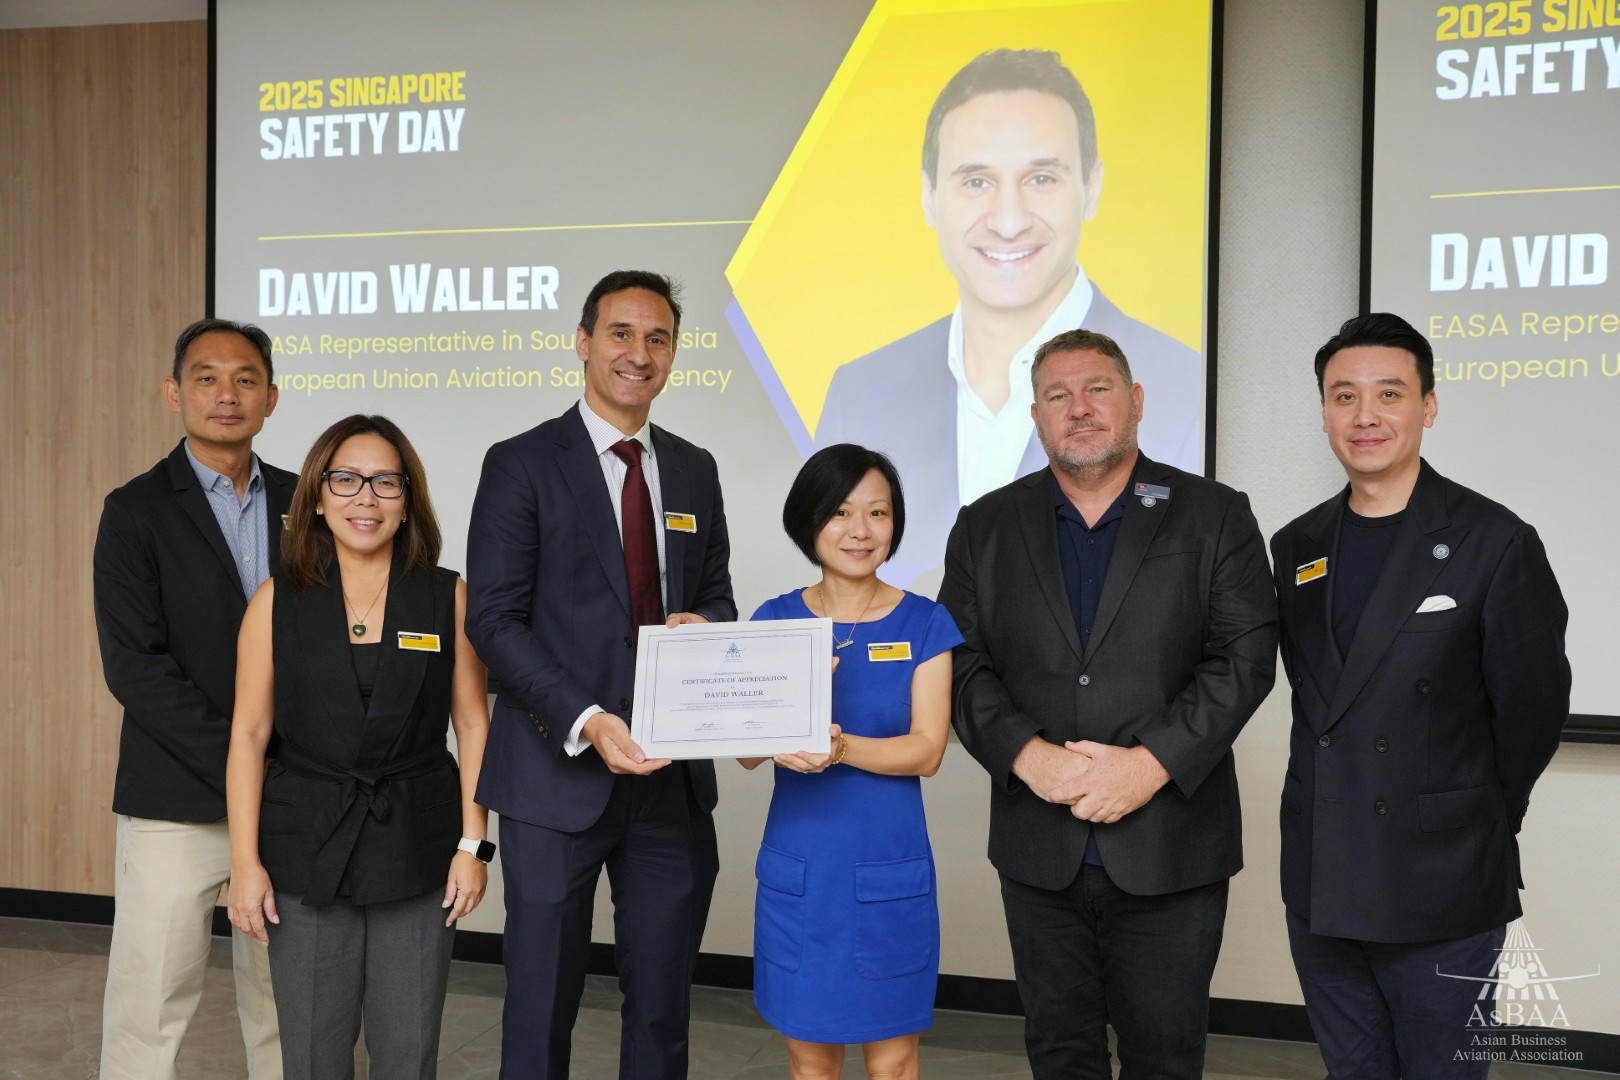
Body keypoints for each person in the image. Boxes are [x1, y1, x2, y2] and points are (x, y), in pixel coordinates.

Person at [938, 328, 1275, 1079]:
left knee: (1165, 1058)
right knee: (1059, 1054)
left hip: (1171, 845)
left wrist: (1148, 766)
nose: (1080, 408)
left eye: (1098, 389)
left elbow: (1245, 658)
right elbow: (957, 660)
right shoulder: (985, 525)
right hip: (1038, 848)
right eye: (1057, 395)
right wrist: (1028, 757)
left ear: (1137, 401)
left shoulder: (1214, 514)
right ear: (1036, 416)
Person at [1271, 313, 1570, 1079]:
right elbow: (1317, 692)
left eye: (1390, 393)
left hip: (1444, 880)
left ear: (1428, 406)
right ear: (1324, 412)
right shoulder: (1297, 545)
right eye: (1344, 396)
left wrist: (1465, 814)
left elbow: (1532, 712)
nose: (1364, 416)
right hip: (1323, 876)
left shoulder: (1494, 540)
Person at [466, 270, 736, 1078]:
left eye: (658, 338)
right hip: (557, 775)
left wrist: (709, 627)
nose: (638, 353)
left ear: (674, 354)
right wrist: (588, 720)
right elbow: (494, 621)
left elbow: (716, 595)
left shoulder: (693, 468)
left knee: (661, 1008)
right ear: (583, 343)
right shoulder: (521, 463)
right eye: (621, 333)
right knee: (541, 1002)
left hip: (670, 783)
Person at [818, 48, 1203, 580]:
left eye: (1041, 178)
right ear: (929, 196)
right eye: (976, 181)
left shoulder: (1187, 387)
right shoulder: (859, 393)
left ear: (1091, 187)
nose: (1008, 221)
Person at [224, 414, 491, 1078]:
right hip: (305, 848)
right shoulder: (275, 601)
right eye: (345, 480)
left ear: (407, 500)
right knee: (313, 1052)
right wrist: (245, 863)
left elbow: (473, 724)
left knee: (408, 1049)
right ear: (317, 497)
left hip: (420, 847)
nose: (365, 498)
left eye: (385, 483)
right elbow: (250, 736)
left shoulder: (446, 595)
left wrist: (474, 846)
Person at [93, 318, 289, 1079]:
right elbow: (135, 670)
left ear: (272, 397)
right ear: (174, 393)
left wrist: (283, 772)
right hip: (177, 797)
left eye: (245, 379)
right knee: (150, 1004)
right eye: (206, 378)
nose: (226, 395)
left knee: (287, 1002)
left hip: (295, 798)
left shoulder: (310, 503)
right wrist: (245, 763)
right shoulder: (135, 509)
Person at [743, 445, 961, 1080]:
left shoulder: (926, 623)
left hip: (887, 870)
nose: (860, 530)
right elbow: (749, 751)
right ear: (809, 521)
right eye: (840, 511)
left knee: (893, 1062)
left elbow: (927, 751)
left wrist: (839, 748)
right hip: (802, 872)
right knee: (810, 1062)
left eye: (878, 512)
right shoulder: (774, 620)